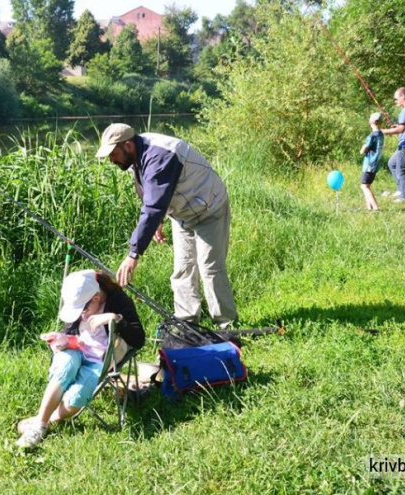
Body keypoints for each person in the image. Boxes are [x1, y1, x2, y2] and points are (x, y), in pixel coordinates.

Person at [95, 123, 238, 329]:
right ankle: (187, 322)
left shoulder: (160, 155)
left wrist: (133, 254)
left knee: (210, 268)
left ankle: (226, 324)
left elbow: (154, 205)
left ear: (127, 145)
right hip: (183, 214)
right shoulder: (136, 157)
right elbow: (152, 193)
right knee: (182, 269)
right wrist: (158, 221)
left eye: (113, 153)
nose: (111, 159)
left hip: (209, 207)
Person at [15, 269, 144, 449]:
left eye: (82, 309)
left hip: (102, 359)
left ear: (96, 298)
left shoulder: (119, 302)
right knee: (65, 366)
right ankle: (39, 426)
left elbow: (138, 339)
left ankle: (45, 421)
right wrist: (61, 339)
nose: (80, 314)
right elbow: (72, 333)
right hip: (78, 349)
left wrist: (115, 319)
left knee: (78, 395)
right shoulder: (82, 302)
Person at [381, 87, 405, 202]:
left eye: (396, 98)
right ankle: (401, 189)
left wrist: (383, 131)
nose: (395, 101)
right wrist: (396, 127)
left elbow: (401, 130)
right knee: (392, 163)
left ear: (403, 96)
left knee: (402, 170)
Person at [359, 112, 384, 211]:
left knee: (364, 186)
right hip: (376, 164)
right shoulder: (381, 134)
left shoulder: (372, 136)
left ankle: (376, 208)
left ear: (370, 122)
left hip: (369, 164)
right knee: (367, 185)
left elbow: (365, 148)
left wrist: (362, 150)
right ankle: (369, 207)